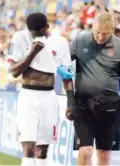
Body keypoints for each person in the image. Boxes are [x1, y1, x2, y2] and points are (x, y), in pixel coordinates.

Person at [66, 12, 120, 165]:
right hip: (83, 104)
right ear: (92, 27)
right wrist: (70, 101)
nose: (100, 37)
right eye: (97, 32)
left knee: (104, 155)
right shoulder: (79, 41)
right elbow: (62, 64)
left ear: (113, 31)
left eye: (105, 34)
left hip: (110, 106)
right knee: (85, 151)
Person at [9, 13, 73, 166]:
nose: (36, 34)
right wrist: (32, 52)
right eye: (33, 32)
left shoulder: (60, 42)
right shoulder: (19, 38)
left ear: (47, 27)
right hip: (28, 96)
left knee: (42, 147)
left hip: (49, 96)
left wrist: (71, 102)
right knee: (28, 145)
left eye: (40, 31)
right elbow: (14, 71)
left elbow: (66, 75)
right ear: (28, 29)